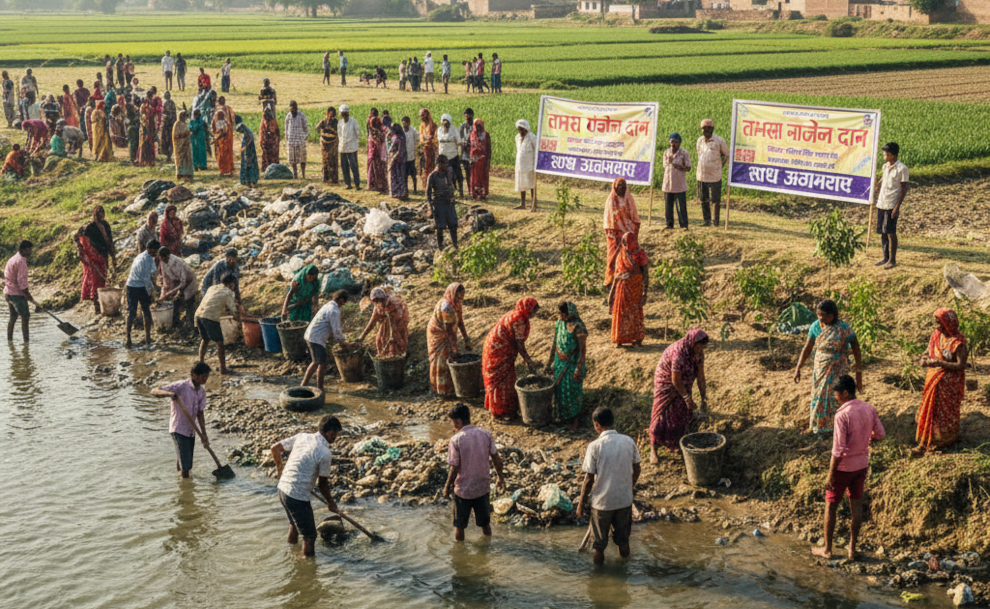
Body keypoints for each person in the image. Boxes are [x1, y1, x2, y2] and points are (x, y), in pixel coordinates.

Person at [812, 375, 885, 561]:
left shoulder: (842, 415)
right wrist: (868, 439)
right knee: (856, 504)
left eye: (836, 394)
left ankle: (827, 550)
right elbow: (880, 434)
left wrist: (830, 475)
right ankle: (852, 549)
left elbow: (838, 450)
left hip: (843, 468)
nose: (835, 398)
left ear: (845, 393)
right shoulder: (869, 408)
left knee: (831, 506)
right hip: (861, 465)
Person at [270, 415, 344, 557]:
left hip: (282, 489)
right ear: (328, 432)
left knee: (294, 523)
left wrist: (281, 471)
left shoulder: (302, 437)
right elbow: (322, 485)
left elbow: (275, 449)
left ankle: (291, 554)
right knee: (310, 536)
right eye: (335, 434)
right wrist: (331, 503)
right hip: (297, 496)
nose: (336, 437)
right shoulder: (325, 453)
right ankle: (307, 572)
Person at [576, 407, 641, 565]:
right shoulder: (628, 441)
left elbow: (589, 479)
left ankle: (598, 580)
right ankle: (624, 570)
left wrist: (581, 503)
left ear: (597, 425)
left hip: (602, 504)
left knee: (599, 547)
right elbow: (637, 468)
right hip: (624, 501)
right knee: (623, 542)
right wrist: (629, 486)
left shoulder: (595, 446)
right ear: (612, 422)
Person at [794, 300, 863, 434]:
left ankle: (839, 427)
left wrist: (858, 373)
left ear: (832, 315)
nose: (820, 318)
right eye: (818, 314)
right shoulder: (815, 327)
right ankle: (818, 427)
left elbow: (856, 348)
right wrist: (798, 367)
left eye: (824, 315)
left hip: (839, 368)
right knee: (819, 396)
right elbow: (807, 348)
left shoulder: (844, 328)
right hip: (820, 368)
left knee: (837, 395)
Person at [444, 404, 506, 542]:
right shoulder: (485, 434)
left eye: (453, 422)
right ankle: (487, 548)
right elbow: (496, 458)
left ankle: (459, 558)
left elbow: (454, 467)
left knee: (459, 526)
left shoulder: (456, 440)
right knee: (485, 524)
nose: (453, 426)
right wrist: (500, 478)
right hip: (482, 488)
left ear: (459, 421)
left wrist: (447, 486)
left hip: (463, 491)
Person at [914, 308, 968, 456]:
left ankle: (943, 441)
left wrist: (940, 363)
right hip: (933, 379)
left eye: (939, 322)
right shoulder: (936, 335)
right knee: (931, 411)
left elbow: (960, 365)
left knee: (944, 412)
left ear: (948, 323)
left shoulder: (958, 342)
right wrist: (924, 358)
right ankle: (925, 441)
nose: (936, 325)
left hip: (949, 384)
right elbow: (927, 351)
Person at [650, 329, 709, 461]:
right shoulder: (679, 352)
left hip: (684, 382)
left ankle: (675, 443)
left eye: (703, 348)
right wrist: (687, 397)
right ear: (692, 343)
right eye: (699, 347)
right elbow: (675, 380)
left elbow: (701, 376)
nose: (700, 350)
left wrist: (703, 397)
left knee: (681, 413)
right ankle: (653, 448)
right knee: (661, 415)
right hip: (666, 381)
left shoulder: (698, 353)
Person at [151, 362, 215, 479]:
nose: (205, 379)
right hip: (178, 429)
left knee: (184, 459)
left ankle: (180, 478)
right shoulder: (181, 386)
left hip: (191, 430)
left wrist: (204, 435)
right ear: (193, 375)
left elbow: (200, 414)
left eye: (206, 377)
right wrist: (169, 393)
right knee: (186, 465)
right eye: (202, 377)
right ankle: (185, 486)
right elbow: (155, 391)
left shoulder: (201, 392)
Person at [482, 298, 539, 420]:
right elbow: (520, 345)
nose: (534, 314)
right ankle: (500, 411)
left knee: (507, 377)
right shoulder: (519, 320)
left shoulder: (515, 313)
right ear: (527, 309)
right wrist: (529, 361)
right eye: (533, 311)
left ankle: (506, 409)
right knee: (500, 379)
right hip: (498, 350)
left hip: (496, 347)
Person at [546, 302, 588, 432]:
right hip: (560, 362)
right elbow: (555, 343)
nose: (560, 316)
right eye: (559, 313)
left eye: (563, 313)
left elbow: (582, 350)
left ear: (570, 313)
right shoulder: (559, 324)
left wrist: (578, 367)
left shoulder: (578, 327)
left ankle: (575, 422)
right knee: (560, 393)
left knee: (572, 393)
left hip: (572, 364)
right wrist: (550, 362)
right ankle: (563, 419)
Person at [303, 290, 354, 390]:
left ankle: (304, 385)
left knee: (316, 362)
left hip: (311, 335)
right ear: (341, 300)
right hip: (316, 338)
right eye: (344, 302)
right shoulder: (334, 310)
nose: (344, 305)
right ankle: (319, 388)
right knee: (320, 363)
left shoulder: (328, 305)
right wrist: (344, 343)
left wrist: (341, 340)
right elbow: (337, 331)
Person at [427, 283, 470, 397]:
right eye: (457, 297)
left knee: (450, 355)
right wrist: (454, 349)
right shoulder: (446, 306)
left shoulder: (457, 304)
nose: (459, 300)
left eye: (461, 298)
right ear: (451, 294)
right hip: (437, 334)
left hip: (448, 332)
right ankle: (440, 390)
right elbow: (449, 332)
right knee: (441, 359)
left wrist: (466, 339)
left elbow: (460, 321)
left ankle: (450, 386)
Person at [609, 232, 649, 348]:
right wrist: (611, 294)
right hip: (621, 290)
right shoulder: (621, 254)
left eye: (633, 240)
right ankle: (619, 339)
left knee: (635, 313)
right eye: (628, 241)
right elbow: (617, 275)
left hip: (635, 289)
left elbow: (646, 274)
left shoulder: (640, 254)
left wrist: (645, 292)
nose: (631, 243)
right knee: (621, 313)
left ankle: (637, 339)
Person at [196, 273, 239, 375]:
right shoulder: (228, 292)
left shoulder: (213, 288)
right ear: (231, 284)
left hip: (199, 314)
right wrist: (238, 319)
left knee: (205, 339)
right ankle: (223, 368)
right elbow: (234, 310)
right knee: (220, 343)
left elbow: (214, 302)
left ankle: (201, 363)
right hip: (210, 317)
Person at [875, 142, 908, 270]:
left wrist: (897, 207)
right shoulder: (885, 167)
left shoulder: (902, 169)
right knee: (882, 232)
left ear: (893, 155)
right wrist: (876, 184)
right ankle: (885, 257)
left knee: (891, 232)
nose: (885, 156)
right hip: (882, 202)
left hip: (892, 204)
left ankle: (892, 260)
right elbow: (882, 180)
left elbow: (904, 189)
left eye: (887, 154)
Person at [603, 177, 640, 287]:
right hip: (614, 235)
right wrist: (614, 233)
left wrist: (632, 232)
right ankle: (611, 280)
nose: (621, 188)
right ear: (614, 187)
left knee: (627, 257)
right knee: (613, 258)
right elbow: (608, 220)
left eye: (623, 186)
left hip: (627, 234)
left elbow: (634, 217)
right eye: (618, 186)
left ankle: (626, 280)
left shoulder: (629, 198)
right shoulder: (611, 199)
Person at [125, 239, 160, 348]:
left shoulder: (143, 256)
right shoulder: (145, 260)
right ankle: (130, 338)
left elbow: (151, 277)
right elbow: (147, 280)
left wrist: (155, 287)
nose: (156, 253)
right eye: (155, 251)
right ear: (150, 250)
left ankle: (145, 337)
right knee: (136, 313)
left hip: (133, 285)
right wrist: (151, 294)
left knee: (142, 312)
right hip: (135, 287)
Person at [357, 287, 410, 358]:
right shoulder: (378, 306)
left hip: (398, 324)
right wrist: (362, 336)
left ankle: (396, 356)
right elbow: (372, 321)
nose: (379, 302)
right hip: (387, 325)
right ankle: (383, 355)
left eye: (379, 300)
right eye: (376, 301)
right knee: (379, 338)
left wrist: (393, 325)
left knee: (394, 340)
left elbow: (402, 316)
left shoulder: (395, 302)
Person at [696, 118, 729, 227]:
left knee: (715, 200)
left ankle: (716, 222)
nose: (706, 130)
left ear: (713, 129)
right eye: (704, 128)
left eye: (709, 128)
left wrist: (721, 165)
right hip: (701, 175)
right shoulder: (699, 141)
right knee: (703, 199)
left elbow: (727, 155)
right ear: (701, 129)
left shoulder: (719, 140)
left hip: (715, 175)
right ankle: (706, 221)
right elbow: (699, 154)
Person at [5, 240, 38, 343]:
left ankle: (9, 340)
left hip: (8, 293)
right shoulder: (21, 261)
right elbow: (22, 283)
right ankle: (26, 343)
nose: (30, 252)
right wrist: (30, 297)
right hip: (17, 295)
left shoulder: (12, 259)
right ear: (23, 250)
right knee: (25, 316)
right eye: (29, 250)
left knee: (13, 317)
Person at [158, 246, 198, 328]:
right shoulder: (162, 262)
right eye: (162, 258)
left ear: (168, 256)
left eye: (165, 258)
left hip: (189, 282)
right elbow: (165, 280)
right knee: (175, 302)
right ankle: (176, 324)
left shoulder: (177, 262)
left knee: (189, 303)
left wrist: (168, 294)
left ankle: (191, 325)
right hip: (177, 281)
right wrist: (162, 295)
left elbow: (183, 282)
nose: (164, 260)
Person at [427, 155, 459, 250]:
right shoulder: (432, 176)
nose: (447, 166)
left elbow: (452, 184)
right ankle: (440, 247)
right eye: (445, 164)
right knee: (440, 227)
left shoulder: (449, 173)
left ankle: (455, 245)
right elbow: (428, 193)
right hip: (439, 203)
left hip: (449, 202)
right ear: (439, 164)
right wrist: (430, 207)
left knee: (453, 225)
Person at [73, 227, 106, 315]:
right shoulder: (84, 240)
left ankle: (98, 308)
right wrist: (98, 261)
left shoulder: (83, 241)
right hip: (92, 266)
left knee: (95, 286)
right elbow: (88, 254)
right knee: (95, 287)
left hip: (92, 266)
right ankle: (98, 308)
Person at [663, 133, 691, 230]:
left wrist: (678, 166)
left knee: (681, 206)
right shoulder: (666, 152)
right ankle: (669, 224)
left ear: (679, 143)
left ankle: (684, 225)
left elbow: (688, 167)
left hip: (679, 184)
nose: (673, 144)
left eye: (676, 142)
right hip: (668, 183)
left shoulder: (684, 153)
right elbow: (665, 166)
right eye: (672, 141)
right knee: (668, 206)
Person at [84, 205, 117, 285]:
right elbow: (86, 241)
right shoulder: (90, 227)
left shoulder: (106, 225)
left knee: (104, 271)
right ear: (95, 214)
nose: (101, 214)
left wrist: (112, 254)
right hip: (95, 255)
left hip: (104, 252)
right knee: (96, 274)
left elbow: (109, 239)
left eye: (102, 212)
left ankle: (103, 288)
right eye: (99, 212)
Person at [437, 114, 464, 197]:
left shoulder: (454, 129)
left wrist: (460, 142)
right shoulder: (440, 130)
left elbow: (458, 140)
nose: (445, 125)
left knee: (458, 174)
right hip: (443, 155)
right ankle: (445, 192)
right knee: (443, 175)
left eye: (447, 123)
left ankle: (461, 192)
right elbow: (439, 140)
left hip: (452, 155)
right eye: (444, 123)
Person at [514, 119, 537, 211]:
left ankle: (533, 204)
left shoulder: (532, 137)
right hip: (520, 164)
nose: (521, 132)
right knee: (521, 183)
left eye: (522, 129)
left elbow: (536, 151)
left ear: (526, 129)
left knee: (531, 184)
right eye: (519, 130)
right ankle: (522, 203)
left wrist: (535, 164)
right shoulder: (517, 137)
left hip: (530, 164)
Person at [335, 104, 359, 189]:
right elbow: (339, 134)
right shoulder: (340, 123)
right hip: (343, 147)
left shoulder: (353, 121)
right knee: (344, 166)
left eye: (345, 113)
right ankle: (348, 184)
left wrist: (352, 141)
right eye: (342, 113)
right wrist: (343, 142)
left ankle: (357, 184)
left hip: (352, 147)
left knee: (354, 166)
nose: (344, 115)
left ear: (348, 113)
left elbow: (357, 133)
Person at [284, 100, 309, 180]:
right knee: (292, 160)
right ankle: (295, 175)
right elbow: (286, 128)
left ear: (296, 108)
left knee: (302, 159)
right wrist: (287, 137)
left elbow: (306, 128)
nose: (292, 112)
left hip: (300, 141)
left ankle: (303, 175)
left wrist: (304, 137)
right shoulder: (288, 116)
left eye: (294, 110)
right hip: (291, 141)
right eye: (291, 110)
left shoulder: (302, 115)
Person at [469, 120, 491, 200]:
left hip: (483, 159)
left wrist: (488, 160)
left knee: (482, 176)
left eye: (479, 126)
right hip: (474, 159)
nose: (478, 128)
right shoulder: (472, 135)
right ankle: (474, 193)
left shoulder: (485, 135)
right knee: (474, 176)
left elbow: (488, 148)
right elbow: (470, 146)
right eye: (476, 125)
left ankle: (482, 193)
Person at [212, 98, 234, 176]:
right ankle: (229, 169)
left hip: (221, 134)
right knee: (228, 151)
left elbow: (214, 124)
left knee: (221, 153)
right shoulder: (228, 108)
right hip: (228, 132)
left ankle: (223, 170)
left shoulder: (217, 111)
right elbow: (232, 120)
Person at [366, 116, 388, 194]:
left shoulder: (374, 132)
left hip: (375, 154)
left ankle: (375, 185)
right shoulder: (379, 131)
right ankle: (379, 185)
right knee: (378, 170)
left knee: (375, 170)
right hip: (376, 154)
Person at [388, 123, 408, 200]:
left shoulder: (398, 138)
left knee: (397, 176)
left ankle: (398, 193)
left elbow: (398, 151)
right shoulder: (398, 137)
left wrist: (393, 158)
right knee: (397, 176)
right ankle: (398, 192)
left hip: (397, 159)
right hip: (398, 159)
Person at [236, 121, 259, 187]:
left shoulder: (248, 133)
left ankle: (249, 181)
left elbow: (248, 144)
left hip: (249, 152)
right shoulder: (247, 132)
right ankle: (248, 181)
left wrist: (245, 150)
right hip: (248, 152)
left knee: (248, 166)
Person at [173, 110, 194, 181]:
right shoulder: (177, 124)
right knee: (180, 160)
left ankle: (187, 173)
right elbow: (176, 135)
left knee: (187, 159)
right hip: (180, 145)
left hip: (186, 145)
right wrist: (185, 133)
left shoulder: (184, 124)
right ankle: (180, 173)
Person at [401, 116, 419, 193]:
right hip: (404, 157)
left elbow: (417, 139)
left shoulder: (413, 130)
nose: (404, 125)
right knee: (405, 175)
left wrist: (415, 148)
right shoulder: (401, 131)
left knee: (413, 175)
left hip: (411, 157)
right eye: (403, 124)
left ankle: (415, 189)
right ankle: (406, 189)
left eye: (405, 124)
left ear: (409, 123)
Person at [259, 107, 281, 173]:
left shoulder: (273, 122)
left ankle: (274, 170)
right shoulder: (263, 122)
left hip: (273, 143)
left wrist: (273, 135)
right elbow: (262, 133)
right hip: (266, 143)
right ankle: (266, 170)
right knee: (266, 157)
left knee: (273, 157)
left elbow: (277, 132)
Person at [419, 108, 438, 183]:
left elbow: (435, 137)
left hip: (431, 149)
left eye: (423, 115)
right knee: (425, 166)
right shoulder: (422, 126)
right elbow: (421, 136)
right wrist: (423, 142)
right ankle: (426, 182)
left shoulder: (433, 125)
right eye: (420, 116)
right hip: (424, 148)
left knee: (431, 165)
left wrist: (430, 140)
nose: (421, 117)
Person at [138, 97, 157, 167]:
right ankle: (144, 161)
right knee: (144, 146)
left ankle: (150, 161)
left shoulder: (149, 110)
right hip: (144, 131)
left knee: (149, 146)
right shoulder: (143, 112)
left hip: (149, 131)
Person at [459, 108, 475, 192]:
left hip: (474, 153)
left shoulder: (475, 126)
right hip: (465, 152)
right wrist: (464, 142)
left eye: (468, 115)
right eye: (465, 116)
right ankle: (470, 189)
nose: (467, 117)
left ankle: (474, 189)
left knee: (474, 173)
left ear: (472, 116)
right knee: (467, 172)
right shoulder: (463, 126)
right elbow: (460, 137)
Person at [160, 92, 176, 162]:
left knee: (166, 140)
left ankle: (168, 155)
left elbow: (164, 114)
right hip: (170, 124)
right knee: (169, 140)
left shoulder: (165, 103)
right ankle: (169, 155)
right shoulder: (172, 103)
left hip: (167, 125)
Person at [125, 97, 140, 163]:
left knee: (131, 144)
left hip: (130, 129)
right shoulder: (131, 115)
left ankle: (133, 158)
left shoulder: (127, 114)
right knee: (133, 144)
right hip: (133, 129)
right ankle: (133, 158)